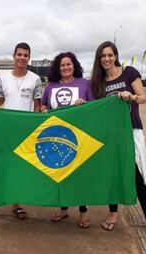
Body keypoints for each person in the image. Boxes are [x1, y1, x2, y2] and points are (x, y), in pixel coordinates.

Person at [90, 41, 146, 241]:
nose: (106, 59)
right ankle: (113, 213)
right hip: (110, 135)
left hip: (131, 131)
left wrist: (131, 97)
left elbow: (143, 97)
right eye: (102, 56)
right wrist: (82, 104)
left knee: (138, 177)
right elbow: (97, 109)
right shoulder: (98, 81)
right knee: (113, 176)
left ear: (115, 55)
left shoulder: (129, 73)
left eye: (110, 55)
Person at [0, 42, 42, 220]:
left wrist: (35, 129)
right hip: (5, 130)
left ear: (29, 58)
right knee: (0, 166)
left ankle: (17, 204)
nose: (22, 58)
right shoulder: (2, 79)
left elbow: (37, 106)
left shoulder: (35, 79)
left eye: (25, 55)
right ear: (14, 56)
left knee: (19, 168)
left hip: (25, 131)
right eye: (19, 54)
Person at [41, 52, 93, 228]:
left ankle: (83, 212)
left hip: (79, 136)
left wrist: (84, 104)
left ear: (74, 65)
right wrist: (44, 110)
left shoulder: (84, 84)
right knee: (61, 173)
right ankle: (63, 210)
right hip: (57, 136)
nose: (65, 67)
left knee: (79, 175)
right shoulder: (50, 86)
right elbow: (43, 105)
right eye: (62, 65)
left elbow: (94, 106)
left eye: (68, 64)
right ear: (58, 68)